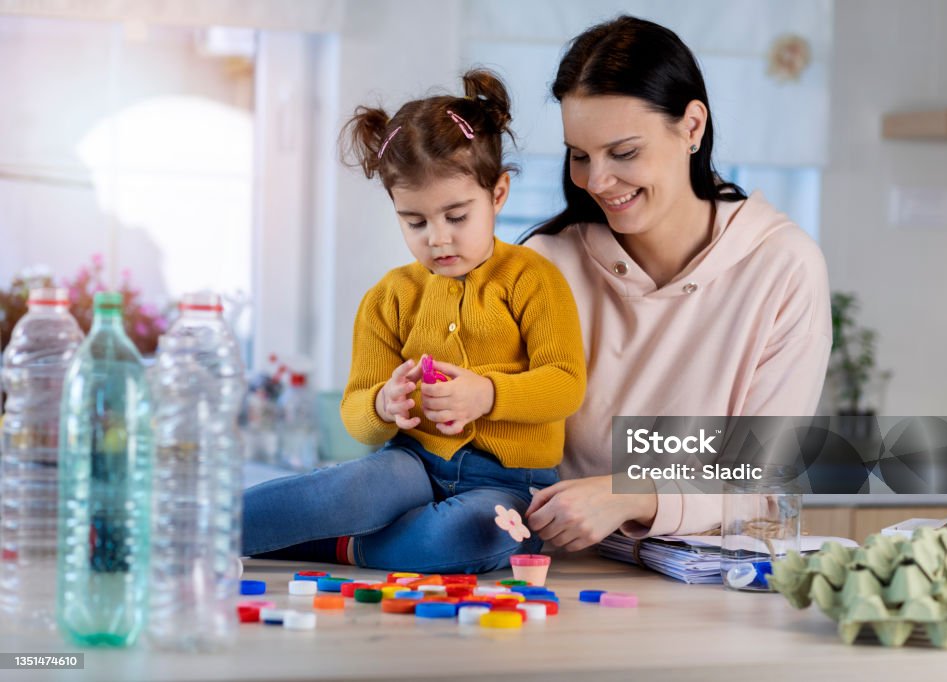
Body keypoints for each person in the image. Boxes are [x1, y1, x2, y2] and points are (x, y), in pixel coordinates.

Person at [241, 69, 587, 573]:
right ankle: (185, 529)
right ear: (396, 210)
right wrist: (384, 403)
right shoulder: (390, 297)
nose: (438, 239)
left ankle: (342, 547)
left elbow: (565, 385)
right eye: (416, 222)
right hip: (411, 465)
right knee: (343, 491)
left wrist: (488, 395)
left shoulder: (533, 278)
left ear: (498, 194)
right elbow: (356, 412)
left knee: (474, 535)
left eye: (457, 216)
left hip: (507, 482)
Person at [523, 16, 831, 550]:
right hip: (555, 578)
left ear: (692, 127)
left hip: (706, 592)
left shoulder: (784, 268)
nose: (597, 181)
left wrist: (634, 495)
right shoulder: (544, 265)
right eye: (579, 156)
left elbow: (763, 483)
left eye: (623, 153)